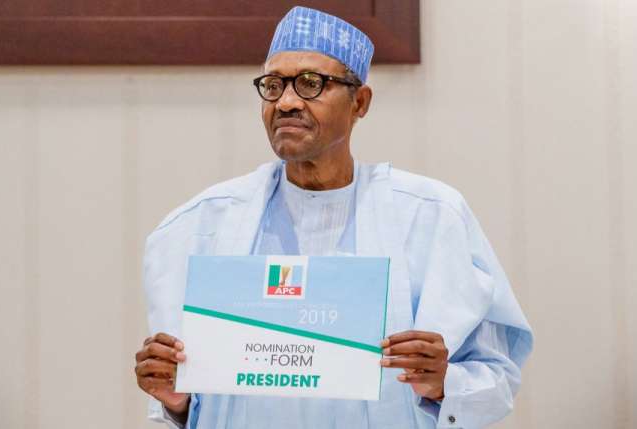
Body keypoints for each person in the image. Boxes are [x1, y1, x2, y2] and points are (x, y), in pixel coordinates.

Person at [134, 6, 533, 429]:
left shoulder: (431, 217)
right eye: (272, 86)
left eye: (310, 83)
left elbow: (497, 377)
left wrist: (442, 383)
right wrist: (175, 399)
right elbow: (189, 399)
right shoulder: (199, 226)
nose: (286, 102)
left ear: (359, 102)